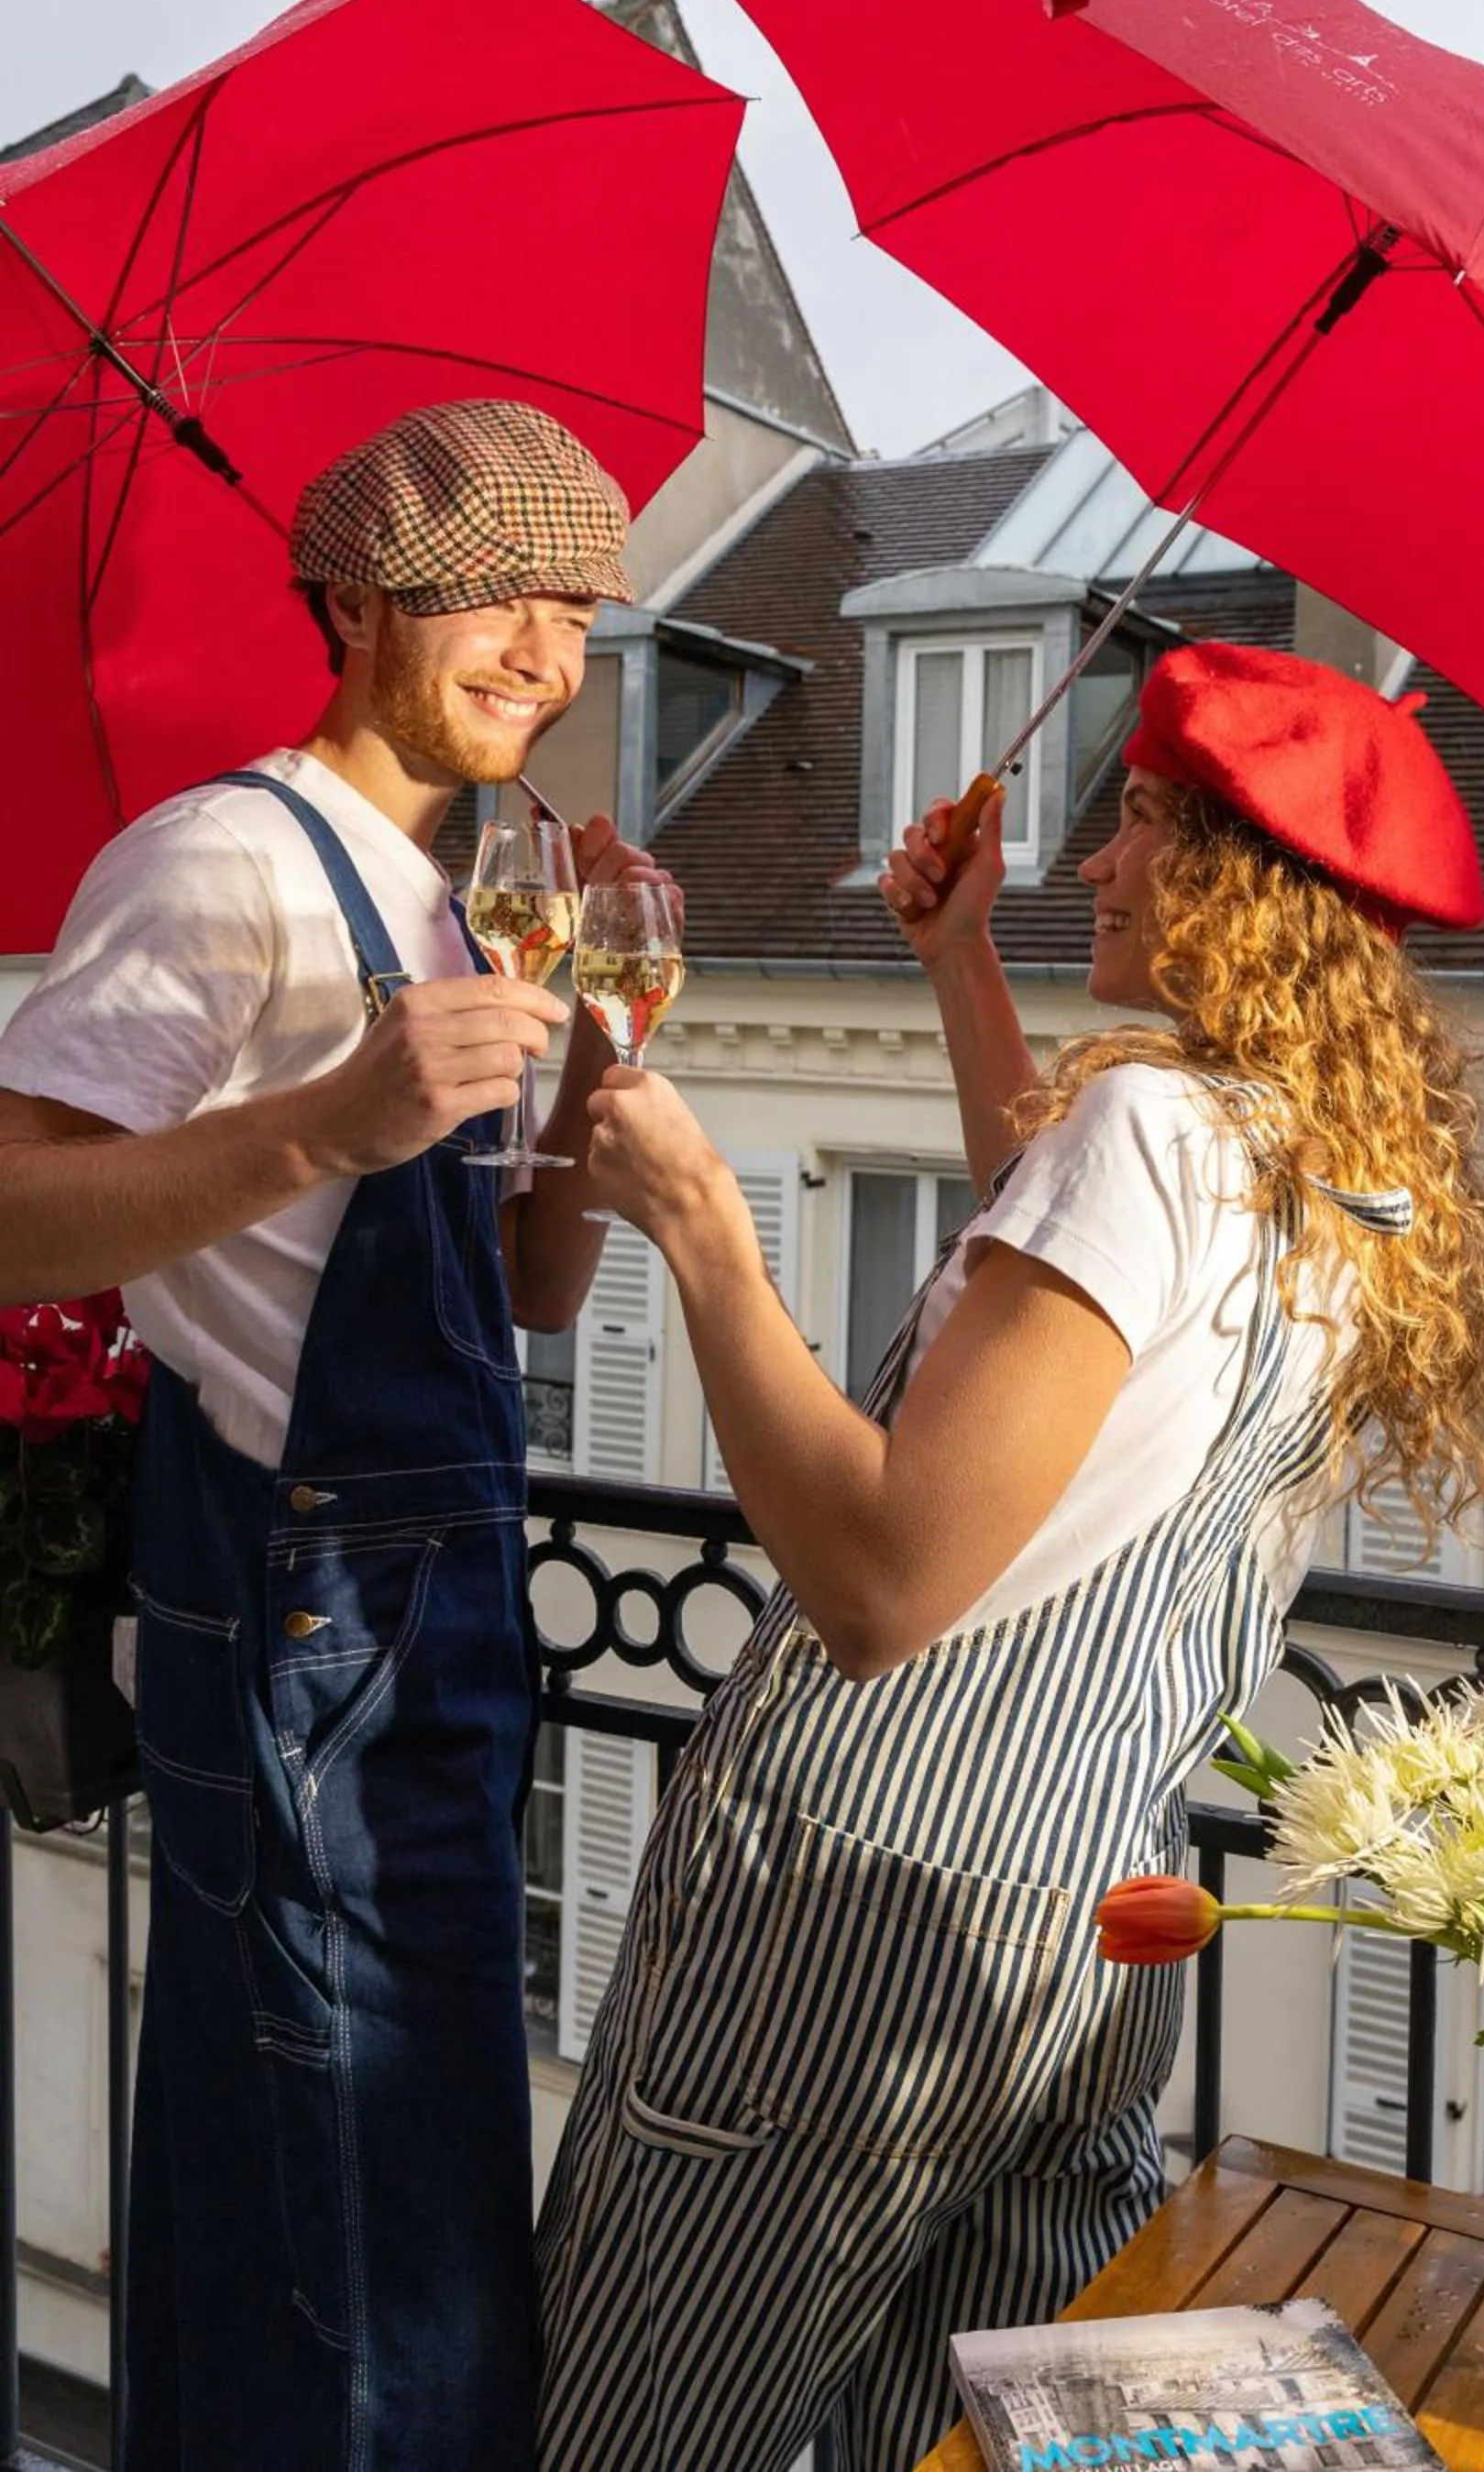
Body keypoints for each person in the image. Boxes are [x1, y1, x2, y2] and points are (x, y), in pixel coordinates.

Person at [534, 639, 1484, 2471]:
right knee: (927, 2445)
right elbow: (1070, 1304)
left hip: (846, 1931)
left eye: (1143, 825)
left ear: (1240, 886)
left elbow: (882, 1584)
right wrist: (957, 958)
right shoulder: (1322, 1170)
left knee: (625, 2432)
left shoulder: (1152, 1128)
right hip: (1078, 1942)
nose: (1096, 862)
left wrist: (699, 1225)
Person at [0, 398, 674, 2472]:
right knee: (357, 2201)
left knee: (332, 2155)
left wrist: (590, 1089)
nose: (545, 658)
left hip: (424, 1596)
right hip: (289, 1595)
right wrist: (329, 1119)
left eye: (575, 615)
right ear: (359, 602)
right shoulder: (216, 860)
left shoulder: (458, 900)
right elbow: (15, 1204)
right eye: (500, 600)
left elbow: (532, 1300)